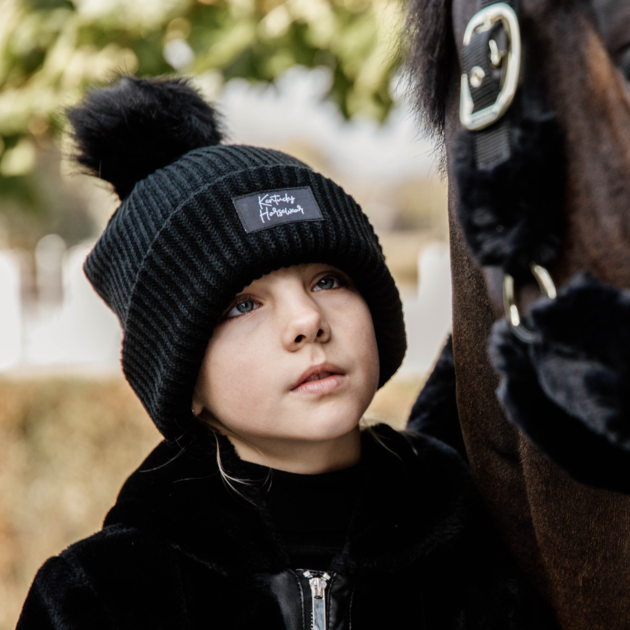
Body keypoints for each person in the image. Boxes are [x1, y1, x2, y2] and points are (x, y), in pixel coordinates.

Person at [16, 76, 555, 629]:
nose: (306, 321)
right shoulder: (100, 596)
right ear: (183, 379)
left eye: (328, 280)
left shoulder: (480, 553)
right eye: (242, 305)